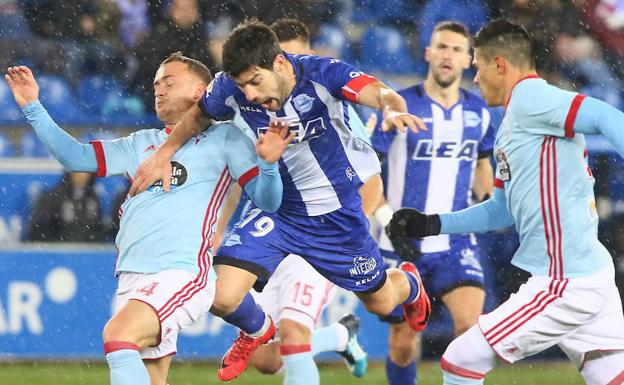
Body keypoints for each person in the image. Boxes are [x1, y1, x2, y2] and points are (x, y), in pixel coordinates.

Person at [128, 19, 431, 382]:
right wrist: (164, 153)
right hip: (278, 212)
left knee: (381, 300)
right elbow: (199, 114)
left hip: (334, 217)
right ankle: (256, 331)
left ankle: (410, 284)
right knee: (221, 295)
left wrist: (392, 109)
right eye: (243, 86)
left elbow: (380, 92)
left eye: (256, 82)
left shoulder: (324, 73)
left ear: (281, 64)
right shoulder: (229, 89)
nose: (251, 95)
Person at [5, 51, 292, 385]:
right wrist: (32, 106)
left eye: (169, 81)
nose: (159, 88)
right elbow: (76, 158)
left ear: (200, 91)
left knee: (119, 335)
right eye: (156, 83)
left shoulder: (225, 138)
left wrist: (269, 165)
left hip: (180, 273)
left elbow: (269, 201)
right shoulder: (140, 143)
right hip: (132, 277)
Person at [386, 19, 624, 385]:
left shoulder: (532, 97)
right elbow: (500, 208)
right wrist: (433, 223)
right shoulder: (512, 124)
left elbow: (608, 116)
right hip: (589, 275)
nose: (475, 78)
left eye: (478, 67)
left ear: (500, 64)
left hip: (564, 282)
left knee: (459, 359)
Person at [212, 18, 377, 385]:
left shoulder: (336, 106)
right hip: (274, 229)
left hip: (322, 228)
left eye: (295, 56)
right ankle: (340, 336)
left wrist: (346, 231)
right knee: (269, 360)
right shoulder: (252, 108)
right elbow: (247, 178)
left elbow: (370, 178)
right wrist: (222, 225)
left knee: (294, 335)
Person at [371, 21, 494, 385]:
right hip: (399, 242)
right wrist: (385, 217)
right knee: (404, 342)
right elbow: (366, 171)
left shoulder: (480, 111)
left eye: (457, 50)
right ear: (427, 52)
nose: (447, 55)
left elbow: (482, 163)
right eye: (442, 47)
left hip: (455, 240)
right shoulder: (397, 106)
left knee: (470, 329)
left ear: (469, 59)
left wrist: (489, 200)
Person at [27, 171, 107, 242]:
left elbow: (97, 229)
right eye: (78, 171)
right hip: (59, 253)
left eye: (85, 171)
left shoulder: (93, 198)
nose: (82, 175)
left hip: (87, 254)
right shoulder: (54, 198)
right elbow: (39, 229)